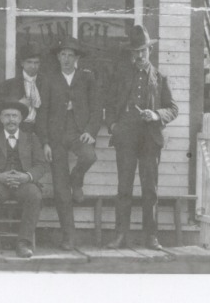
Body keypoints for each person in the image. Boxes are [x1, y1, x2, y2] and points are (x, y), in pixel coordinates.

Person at [105, 25, 178, 250]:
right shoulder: (120, 75)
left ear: (150, 51)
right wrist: (113, 125)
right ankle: (120, 236)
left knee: (150, 190)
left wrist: (156, 114)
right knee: (124, 188)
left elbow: (173, 108)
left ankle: (151, 237)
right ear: (130, 53)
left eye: (143, 51)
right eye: (135, 51)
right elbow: (108, 103)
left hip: (150, 139)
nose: (139, 56)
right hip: (125, 138)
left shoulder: (160, 77)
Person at [35, 35, 102, 251]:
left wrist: (91, 131)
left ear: (77, 58)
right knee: (61, 190)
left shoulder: (87, 77)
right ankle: (69, 236)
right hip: (55, 138)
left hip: (77, 132)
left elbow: (96, 108)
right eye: (62, 54)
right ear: (57, 56)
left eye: (70, 55)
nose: (66, 59)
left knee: (89, 156)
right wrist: (45, 142)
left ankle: (77, 179)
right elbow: (42, 112)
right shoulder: (48, 78)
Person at [0, 100, 47, 259]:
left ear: (21, 119)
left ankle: (23, 243)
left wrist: (27, 176)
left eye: (14, 116)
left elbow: (41, 165)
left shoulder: (31, 138)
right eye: (7, 116)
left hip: (24, 184)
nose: (11, 120)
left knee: (35, 195)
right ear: (1, 119)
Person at [0, 43, 43, 127]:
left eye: (36, 63)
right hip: (18, 129)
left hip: (40, 131)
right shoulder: (8, 85)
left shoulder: (46, 84)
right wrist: (17, 103)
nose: (33, 66)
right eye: (29, 62)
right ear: (22, 63)